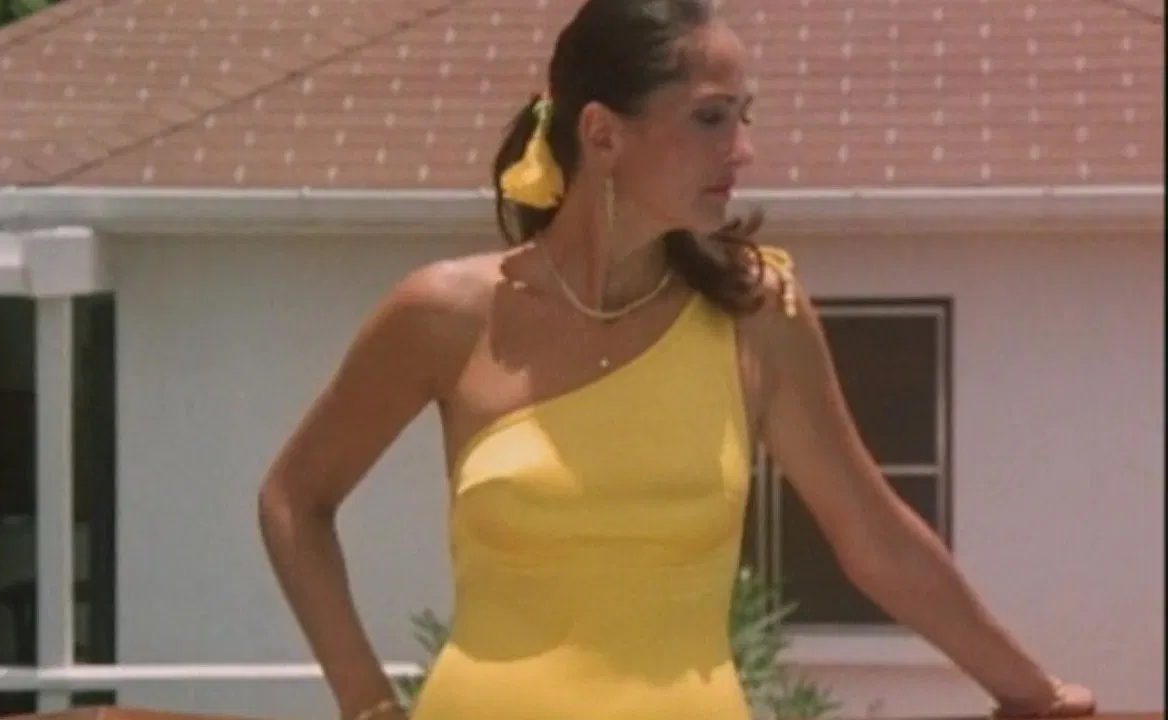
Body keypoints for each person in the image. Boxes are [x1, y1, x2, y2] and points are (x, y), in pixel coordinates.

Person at [257, 1, 1100, 718]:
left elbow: (874, 537)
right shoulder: (443, 314)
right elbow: (294, 499)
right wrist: (366, 703)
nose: (743, 149)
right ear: (602, 132)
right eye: (711, 117)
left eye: (744, 115)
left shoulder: (756, 315)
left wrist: (1034, 693)